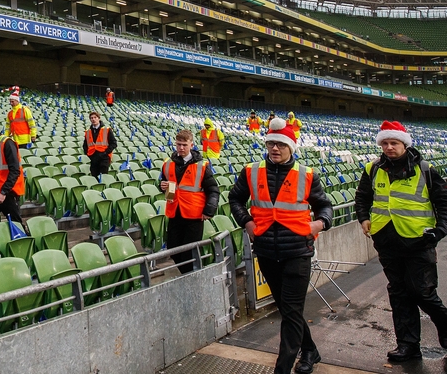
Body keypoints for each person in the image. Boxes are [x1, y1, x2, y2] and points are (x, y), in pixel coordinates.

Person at [229, 117, 333, 374]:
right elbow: (235, 199)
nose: (275, 149)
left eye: (280, 145)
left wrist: (318, 225)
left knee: (291, 309)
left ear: (291, 147)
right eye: (271, 144)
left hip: (298, 250)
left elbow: (324, 206)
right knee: (288, 309)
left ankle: (282, 369)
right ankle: (309, 350)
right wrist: (247, 223)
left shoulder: (307, 174)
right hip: (265, 249)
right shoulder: (251, 171)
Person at [355, 120, 447, 362]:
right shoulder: (372, 168)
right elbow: (363, 197)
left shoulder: (425, 169)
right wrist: (363, 218)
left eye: (393, 142)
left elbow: (443, 202)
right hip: (386, 240)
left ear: (404, 144)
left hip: (419, 241)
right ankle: (408, 345)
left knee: (423, 293)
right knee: (399, 293)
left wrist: (439, 231)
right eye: (384, 143)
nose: (388, 147)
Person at [159, 129, 219, 272]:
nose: (181, 148)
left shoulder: (202, 165)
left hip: (194, 213)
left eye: (184, 145)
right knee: (172, 248)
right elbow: (165, 184)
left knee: (189, 251)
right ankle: (188, 274)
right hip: (175, 211)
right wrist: (161, 186)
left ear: (191, 145)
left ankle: (190, 276)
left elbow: (213, 190)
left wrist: (209, 210)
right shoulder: (168, 163)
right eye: (178, 144)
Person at [82, 111, 117, 178]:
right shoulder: (88, 132)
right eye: (91, 118)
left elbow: (114, 143)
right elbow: (85, 145)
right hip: (93, 158)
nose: (93, 119)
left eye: (95, 117)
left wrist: (106, 152)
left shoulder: (107, 130)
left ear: (99, 118)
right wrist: (89, 154)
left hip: (104, 158)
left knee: (103, 178)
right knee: (94, 177)